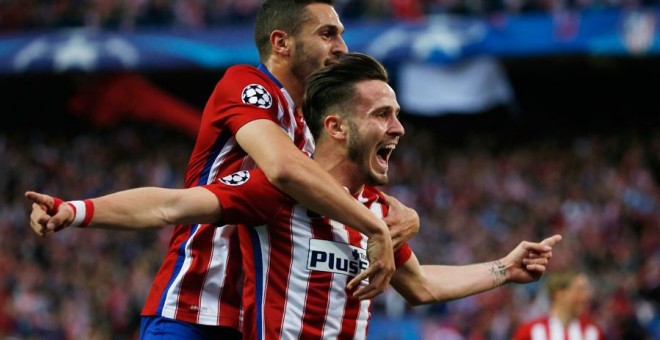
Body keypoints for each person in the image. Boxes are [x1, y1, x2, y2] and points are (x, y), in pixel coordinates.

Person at [27, 53, 561, 339]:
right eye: (383, 114)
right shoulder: (275, 191)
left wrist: (502, 270)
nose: (399, 128)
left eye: (397, 115)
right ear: (334, 126)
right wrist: (74, 211)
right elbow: (172, 204)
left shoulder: (377, 213)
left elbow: (420, 287)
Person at [30, 1, 420, 338]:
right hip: (194, 307)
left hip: (255, 320)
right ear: (281, 43)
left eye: (340, 35)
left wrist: (403, 216)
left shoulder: (311, 130)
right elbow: (276, 169)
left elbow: (347, 190)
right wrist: (375, 228)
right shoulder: (248, 85)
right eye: (327, 34)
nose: (341, 48)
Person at [513, 271, 605, 340]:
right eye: (579, 290)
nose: (586, 296)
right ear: (560, 294)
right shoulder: (531, 332)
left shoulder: (593, 332)